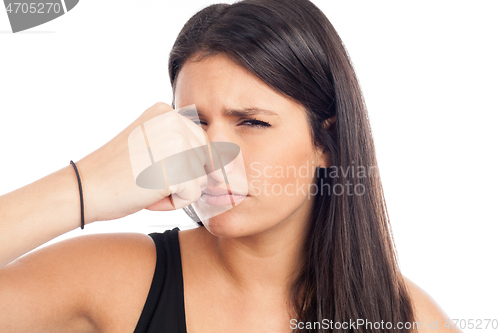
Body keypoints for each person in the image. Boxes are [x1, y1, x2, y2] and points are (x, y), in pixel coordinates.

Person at [0, 0, 461, 332]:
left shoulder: (410, 322)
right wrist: (84, 189)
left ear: (330, 143)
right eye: (194, 123)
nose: (210, 154)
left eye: (252, 122)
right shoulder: (114, 279)